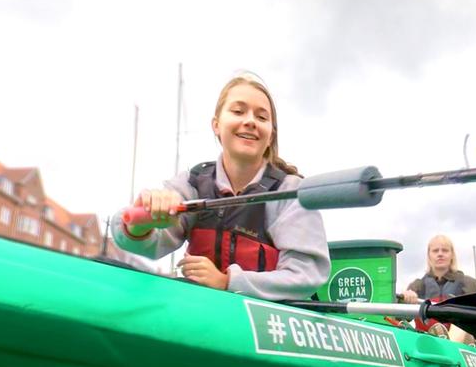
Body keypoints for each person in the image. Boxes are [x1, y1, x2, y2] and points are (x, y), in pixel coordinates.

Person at [113, 74, 329, 301]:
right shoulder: (192, 184)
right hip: (200, 309)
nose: (250, 121)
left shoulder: (291, 192)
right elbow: (143, 240)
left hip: (265, 323)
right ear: (216, 125)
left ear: (270, 134)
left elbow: (305, 275)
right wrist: (139, 227)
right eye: (238, 111)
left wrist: (227, 281)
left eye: (262, 117)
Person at [400, 234, 476, 304]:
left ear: (452, 255)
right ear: (429, 255)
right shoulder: (417, 286)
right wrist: (404, 301)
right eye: (435, 251)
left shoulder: (469, 284)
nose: (440, 254)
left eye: (445, 250)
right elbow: (399, 317)